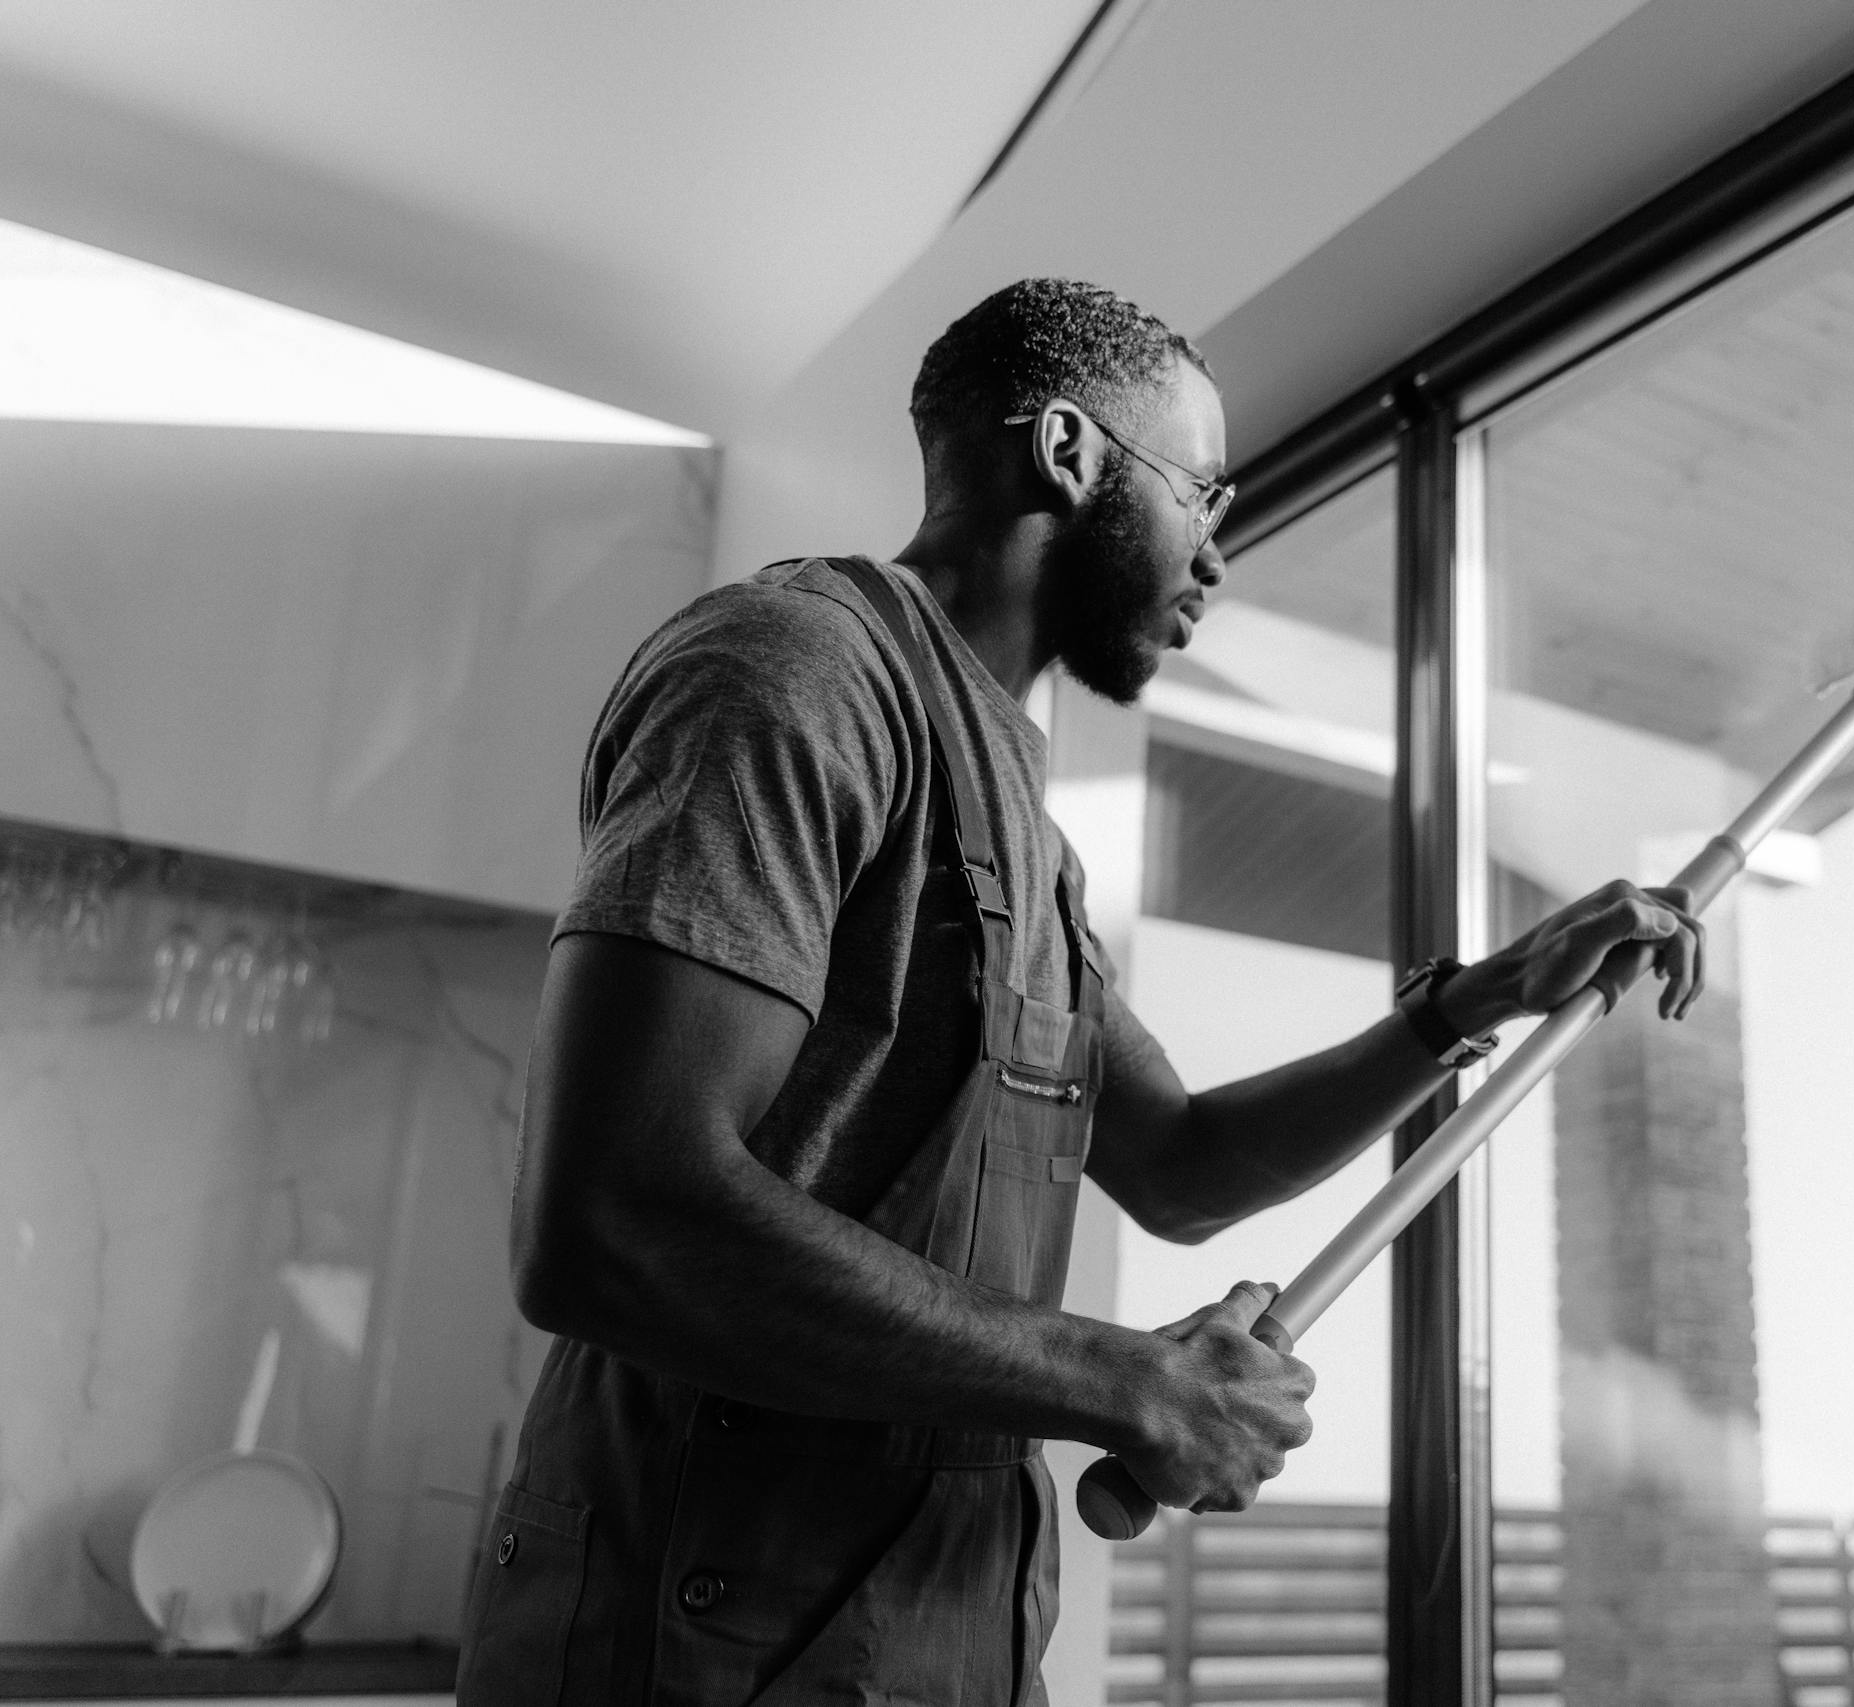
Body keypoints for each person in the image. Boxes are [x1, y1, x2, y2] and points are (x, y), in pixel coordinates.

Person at [456, 278, 1703, 1705]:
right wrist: (1129, 1384)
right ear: (1068, 451)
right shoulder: (792, 677)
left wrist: (1471, 1003)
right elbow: (611, 1220)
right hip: (685, 1657)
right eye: (1204, 495)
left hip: (935, 1648)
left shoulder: (1024, 836)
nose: (1216, 557)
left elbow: (1184, 1163)